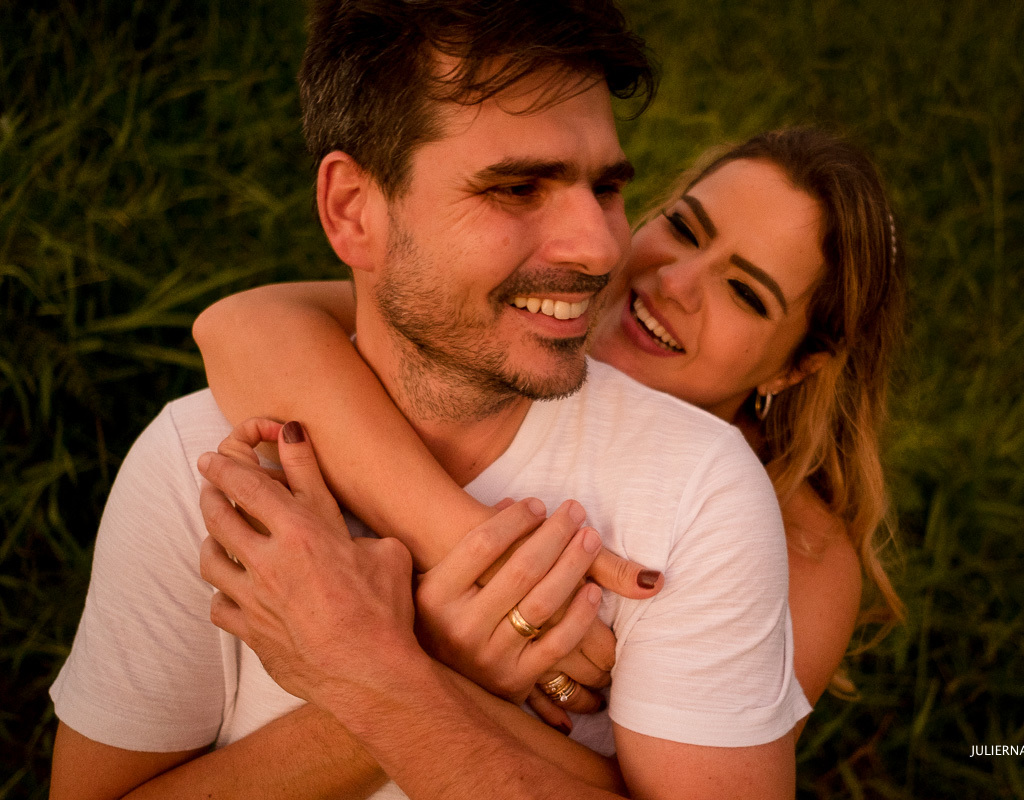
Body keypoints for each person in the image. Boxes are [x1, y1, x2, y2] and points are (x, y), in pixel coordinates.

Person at [46, 2, 809, 798]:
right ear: (353, 210)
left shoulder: (699, 494)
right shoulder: (202, 461)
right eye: (517, 188)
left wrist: (372, 670)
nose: (602, 248)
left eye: (608, 187)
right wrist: (429, 665)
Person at [196, 125, 908, 722]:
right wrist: (476, 554)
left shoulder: (797, 553)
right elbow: (242, 326)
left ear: (798, 368)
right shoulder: (508, 325)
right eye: (685, 229)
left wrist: (429, 677)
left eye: (746, 292)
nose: (676, 281)